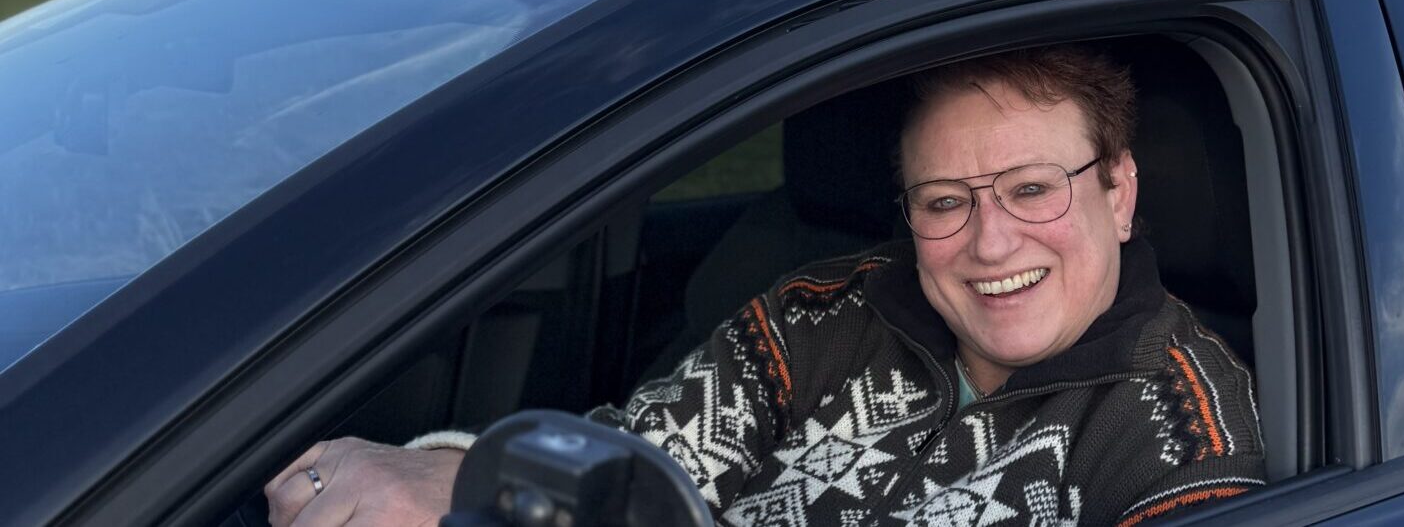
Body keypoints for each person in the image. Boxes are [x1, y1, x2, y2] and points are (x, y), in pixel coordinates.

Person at [266, 43, 1264, 526]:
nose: (990, 242)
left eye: (1033, 188)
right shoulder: (819, 312)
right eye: (944, 201)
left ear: (1120, 193)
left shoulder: (1180, 429)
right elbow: (637, 463)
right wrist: (451, 473)